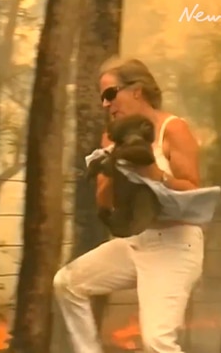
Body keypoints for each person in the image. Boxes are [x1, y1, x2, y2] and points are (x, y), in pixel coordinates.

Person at [53, 57, 204, 353]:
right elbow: (105, 206)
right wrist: (111, 167)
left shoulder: (172, 129)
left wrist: (154, 174)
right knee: (67, 284)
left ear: (137, 90)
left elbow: (193, 191)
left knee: (156, 341)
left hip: (176, 246)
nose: (106, 104)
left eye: (111, 93)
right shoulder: (110, 136)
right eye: (102, 98)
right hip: (137, 242)